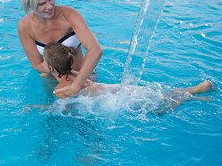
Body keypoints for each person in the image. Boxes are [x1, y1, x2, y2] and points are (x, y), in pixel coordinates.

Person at [43, 42, 215, 113]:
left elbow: (62, 108)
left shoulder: (59, 89)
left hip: (115, 99)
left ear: (51, 68)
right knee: (159, 96)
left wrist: (40, 108)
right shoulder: (76, 74)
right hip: (119, 88)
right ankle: (194, 89)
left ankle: (189, 97)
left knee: (157, 110)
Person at [17, 0, 103, 97]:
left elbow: (96, 50)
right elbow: (36, 64)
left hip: (83, 76)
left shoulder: (70, 15)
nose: (49, 6)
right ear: (29, 4)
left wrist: (76, 85)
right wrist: (61, 79)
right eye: (42, 4)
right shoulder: (25, 27)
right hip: (52, 81)